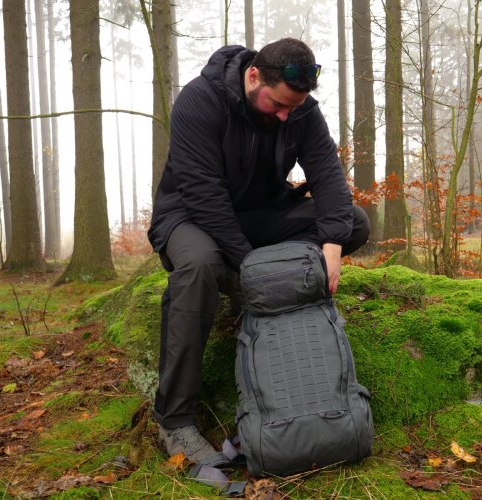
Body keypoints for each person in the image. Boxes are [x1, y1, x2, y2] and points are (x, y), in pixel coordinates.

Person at [147, 38, 370, 464]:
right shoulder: (200, 101)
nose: (287, 115)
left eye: (294, 108)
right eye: (278, 105)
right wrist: (252, 269)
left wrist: (334, 244)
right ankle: (174, 421)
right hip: (191, 217)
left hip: (262, 213)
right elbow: (202, 194)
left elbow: (327, 174)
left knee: (352, 222)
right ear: (253, 77)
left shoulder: (300, 107)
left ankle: (258, 273)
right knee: (199, 267)